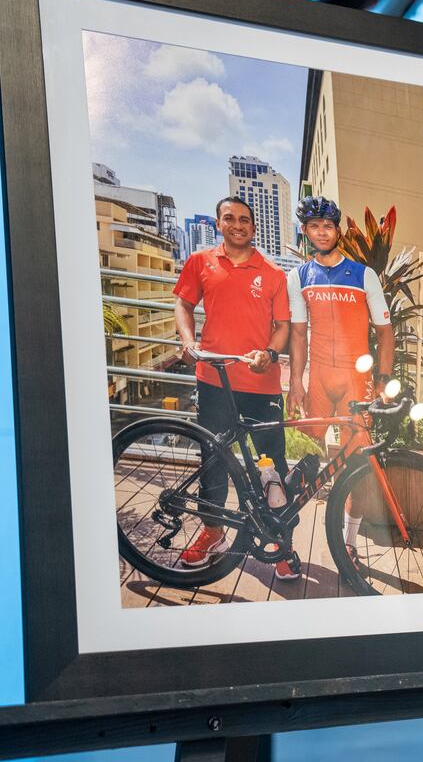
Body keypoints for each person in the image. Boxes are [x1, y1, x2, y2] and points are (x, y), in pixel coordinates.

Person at [174, 196, 293, 578]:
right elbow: (183, 304)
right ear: (218, 223)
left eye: (244, 219)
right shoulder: (200, 262)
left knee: (273, 466)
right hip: (213, 379)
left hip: (262, 384)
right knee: (213, 459)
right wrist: (188, 341)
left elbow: (283, 327)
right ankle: (213, 533)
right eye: (230, 218)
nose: (237, 225)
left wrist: (270, 354)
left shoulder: (273, 273)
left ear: (254, 227)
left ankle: (280, 540)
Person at [285, 195, 394, 562]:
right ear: (305, 231)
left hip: (355, 380)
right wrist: (295, 383)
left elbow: (386, 332)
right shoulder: (298, 276)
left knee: (357, 468)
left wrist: (383, 380)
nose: (321, 232)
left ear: (337, 231)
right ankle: (285, 535)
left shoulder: (364, 275)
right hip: (318, 376)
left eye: (328, 226)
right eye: (314, 226)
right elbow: (297, 333)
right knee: (303, 457)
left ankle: (348, 542)